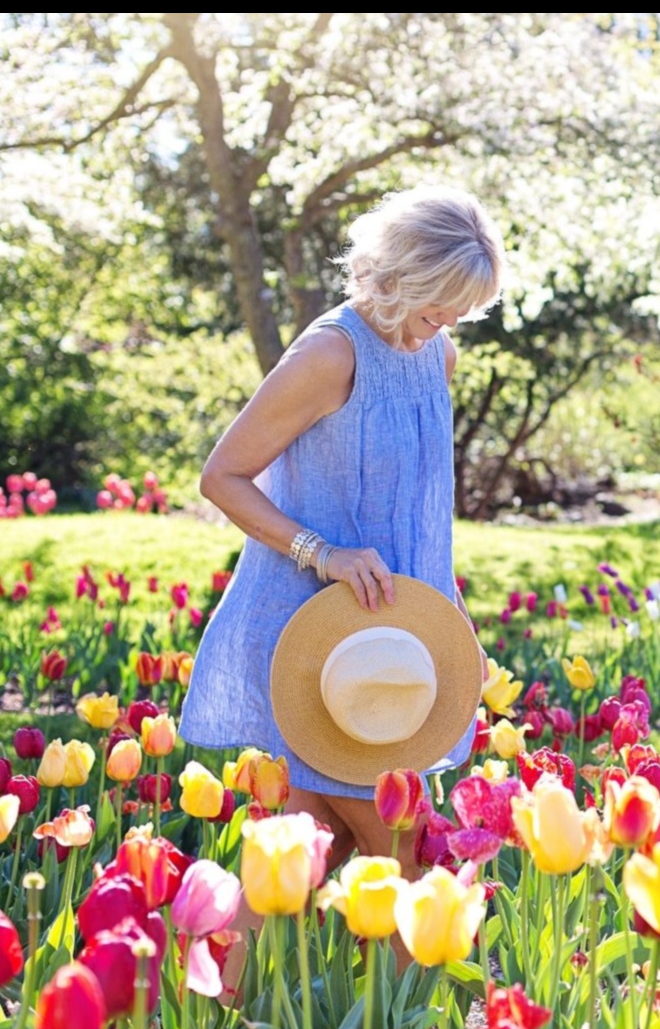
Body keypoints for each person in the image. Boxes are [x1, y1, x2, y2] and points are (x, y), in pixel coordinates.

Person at [182, 185, 505, 889]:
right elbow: (223, 476)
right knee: (406, 859)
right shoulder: (331, 355)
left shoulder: (436, 355)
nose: (448, 324)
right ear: (399, 277)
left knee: (296, 863)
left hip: (395, 637)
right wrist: (320, 554)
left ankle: (212, 995)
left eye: (462, 311)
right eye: (439, 305)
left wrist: (455, 625)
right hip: (325, 641)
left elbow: (421, 516)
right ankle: (428, 1004)